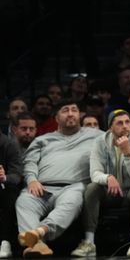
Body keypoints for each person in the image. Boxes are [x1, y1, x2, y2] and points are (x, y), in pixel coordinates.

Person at [16, 99, 102, 257]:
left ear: (79, 114)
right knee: (24, 201)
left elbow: (120, 138)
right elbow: (30, 162)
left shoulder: (96, 136)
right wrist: (32, 180)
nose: (70, 113)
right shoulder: (42, 139)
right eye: (65, 110)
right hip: (42, 186)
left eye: (74, 110)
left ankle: (39, 233)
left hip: (73, 186)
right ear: (56, 118)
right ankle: (39, 245)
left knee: (72, 202)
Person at [71, 110, 130, 257]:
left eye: (128, 122)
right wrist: (108, 178)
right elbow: (94, 173)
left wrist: (128, 154)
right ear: (110, 128)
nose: (125, 126)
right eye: (120, 123)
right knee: (92, 187)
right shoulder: (100, 142)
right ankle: (89, 242)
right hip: (109, 193)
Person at [1, 130, 24, 258]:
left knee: (10, 193)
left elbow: (16, 175)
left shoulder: (9, 144)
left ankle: (5, 242)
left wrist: (4, 177)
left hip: (3, 187)